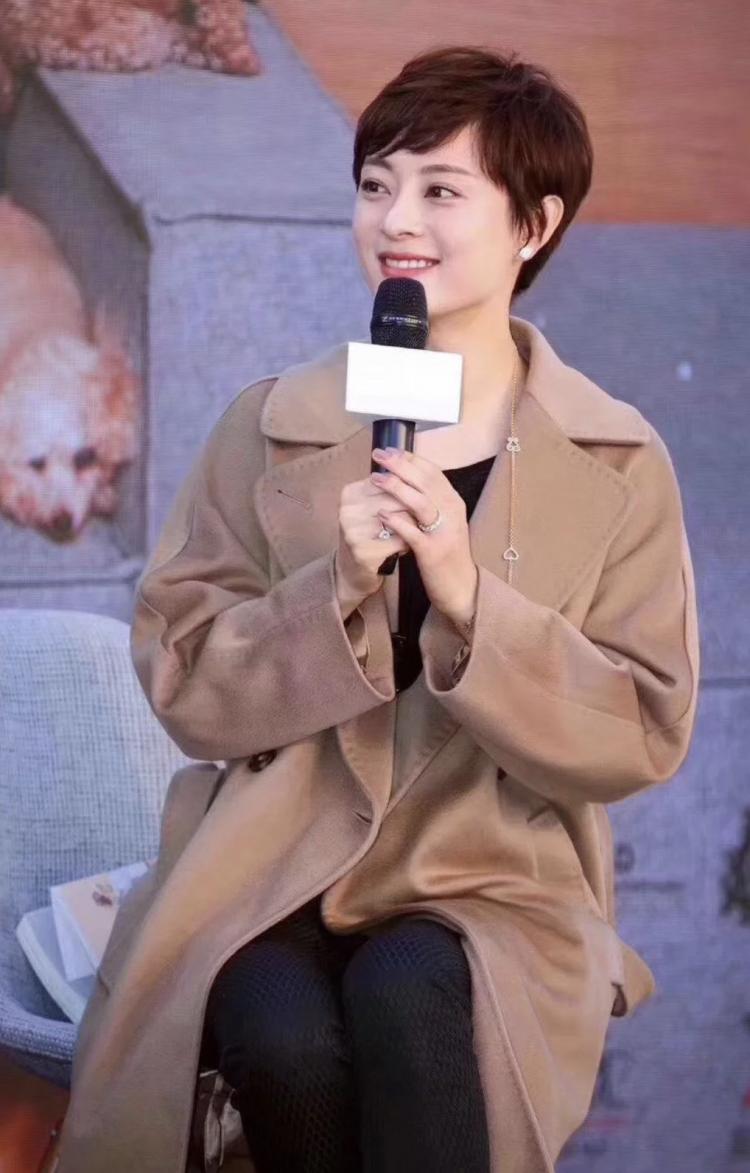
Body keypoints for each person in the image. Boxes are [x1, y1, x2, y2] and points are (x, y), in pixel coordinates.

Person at [56, 45, 700, 1173]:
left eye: (441, 190)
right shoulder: (273, 423)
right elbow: (183, 678)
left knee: (410, 993)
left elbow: (644, 724)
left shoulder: (615, 457)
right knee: (279, 1037)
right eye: (376, 184)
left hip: (493, 873)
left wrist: (469, 597)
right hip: (270, 863)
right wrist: (331, 591)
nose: (396, 220)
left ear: (535, 225)